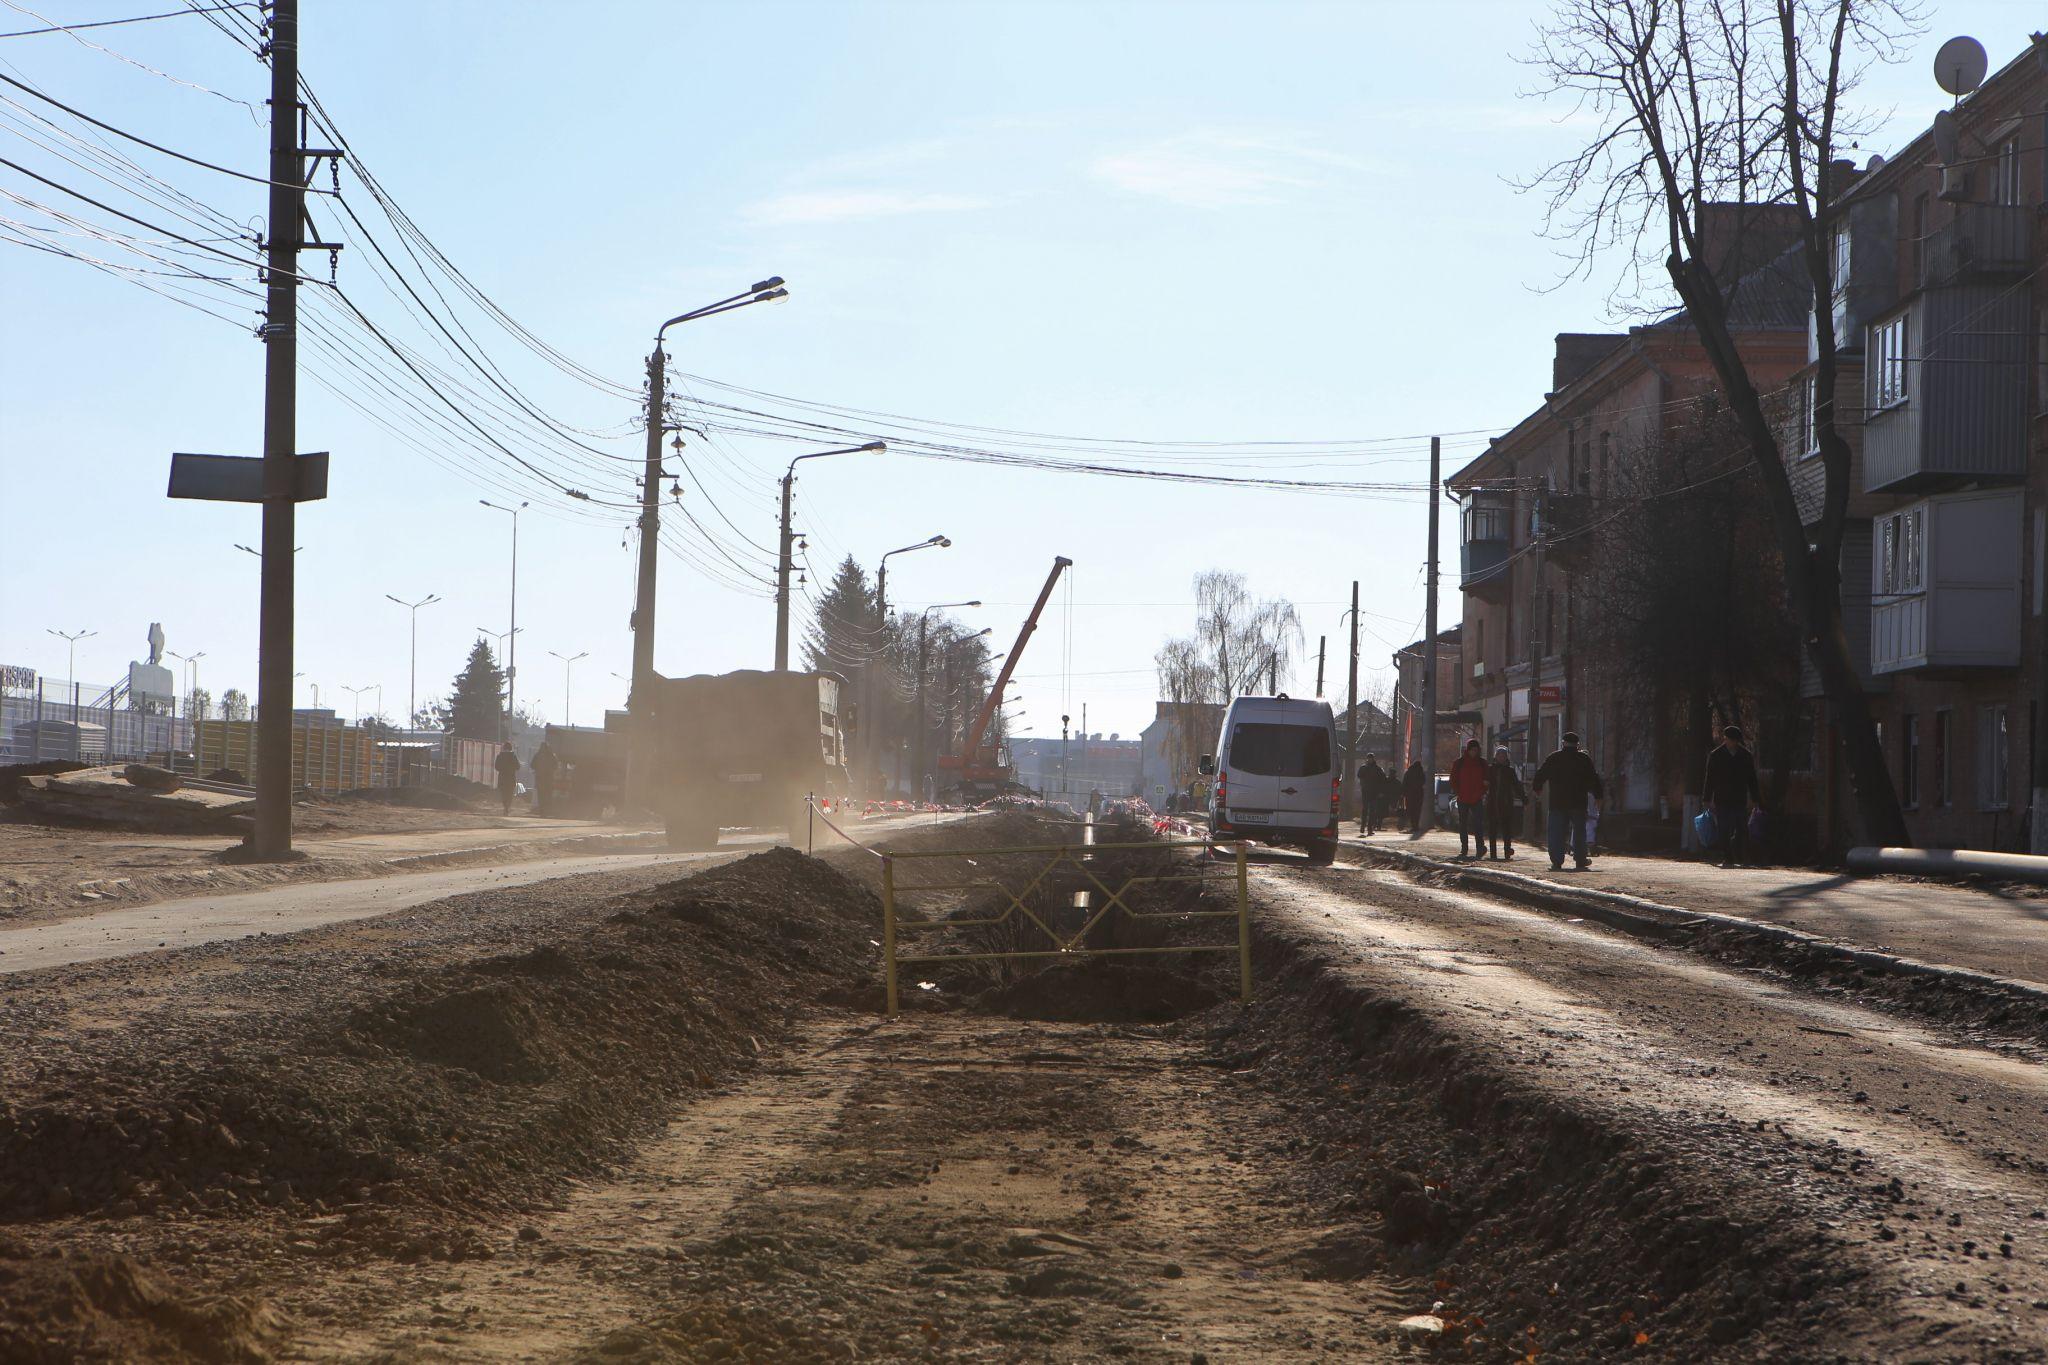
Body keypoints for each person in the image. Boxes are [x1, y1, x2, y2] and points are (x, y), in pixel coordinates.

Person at [1532, 730, 1603, 871]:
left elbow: (1541, 773)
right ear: (1577, 745)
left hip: (1557, 802)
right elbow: (1594, 778)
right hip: (1578, 802)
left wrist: (1537, 788)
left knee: (1556, 832)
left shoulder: (1554, 758)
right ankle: (1580, 860)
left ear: (1563, 743)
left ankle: (1557, 861)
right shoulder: (1583, 759)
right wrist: (1598, 796)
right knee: (1579, 832)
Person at [1701, 724, 1763, 868]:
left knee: (1742, 829)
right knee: (1724, 830)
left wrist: (1755, 799)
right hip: (1722, 798)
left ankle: (1743, 858)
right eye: (1732, 740)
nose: (1734, 743)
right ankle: (1728, 858)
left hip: (1739, 798)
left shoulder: (1745, 755)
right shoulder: (1716, 755)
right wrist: (1706, 798)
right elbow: (1709, 778)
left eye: (1736, 740)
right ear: (1726, 739)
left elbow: (1751, 778)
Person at [1448, 739, 1490, 858]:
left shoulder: (1482, 763)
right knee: (1463, 824)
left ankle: (1480, 848)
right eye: (1472, 750)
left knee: (1478, 824)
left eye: (1476, 750)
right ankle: (1464, 848)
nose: (1474, 752)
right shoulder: (1459, 763)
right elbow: (1453, 780)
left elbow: (1487, 780)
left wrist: (1482, 792)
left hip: (1477, 798)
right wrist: (1459, 792)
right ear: (1468, 750)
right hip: (1463, 798)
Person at [1485, 745, 1526, 860]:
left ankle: (1507, 852)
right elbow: (1485, 784)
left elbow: (1516, 786)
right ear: (1496, 757)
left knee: (1507, 830)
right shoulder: (1490, 769)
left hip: (1506, 803)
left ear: (1506, 757)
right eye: (1499, 755)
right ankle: (1493, 854)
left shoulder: (1510, 771)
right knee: (1492, 830)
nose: (1501, 757)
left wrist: (1524, 798)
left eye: (1504, 755)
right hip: (1492, 803)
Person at [1356, 755, 1388, 835]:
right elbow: (1359, 775)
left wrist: (1381, 791)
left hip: (1373, 793)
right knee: (1366, 810)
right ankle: (1364, 827)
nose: (1370, 759)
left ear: (1373, 759)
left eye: (1371, 758)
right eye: (1369, 758)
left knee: (1371, 811)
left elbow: (1383, 780)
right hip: (1367, 792)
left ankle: (1369, 828)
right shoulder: (1366, 768)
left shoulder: (1377, 769)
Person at [530, 739, 560, 817]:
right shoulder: (552, 755)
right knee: (548, 795)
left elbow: (532, 765)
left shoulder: (537, 755)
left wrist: (537, 769)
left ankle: (542, 811)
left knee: (541, 796)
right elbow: (556, 766)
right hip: (549, 779)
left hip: (540, 779)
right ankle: (547, 811)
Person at [494, 741, 521, 816]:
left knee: (504, 793)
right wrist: (511, 769)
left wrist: (503, 769)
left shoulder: (500, 756)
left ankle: (505, 807)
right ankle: (507, 808)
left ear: (504, 748)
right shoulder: (513, 756)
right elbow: (518, 767)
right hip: (511, 778)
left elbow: (496, 767)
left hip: (502, 778)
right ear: (511, 748)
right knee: (509, 793)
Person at [1401, 760, 1427, 833]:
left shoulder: (1408, 772)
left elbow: (1404, 783)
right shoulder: (1421, 772)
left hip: (1409, 795)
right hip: (1419, 794)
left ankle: (1413, 825)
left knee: (1411, 810)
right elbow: (1423, 782)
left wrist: (1403, 793)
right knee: (1417, 811)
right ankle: (1416, 826)